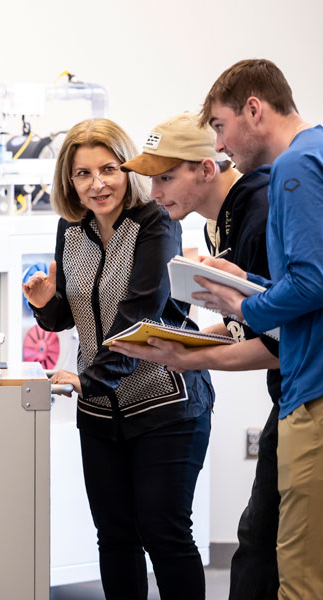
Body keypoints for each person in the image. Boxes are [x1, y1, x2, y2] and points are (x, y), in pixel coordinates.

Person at [23, 118, 215, 599]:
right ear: (70, 180)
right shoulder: (71, 228)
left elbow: (139, 313)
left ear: (127, 169)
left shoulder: (155, 222)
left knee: (164, 535)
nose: (97, 184)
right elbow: (72, 314)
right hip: (102, 414)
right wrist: (46, 301)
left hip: (164, 402)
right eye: (83, 173)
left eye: (108, 169)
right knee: (115, 540)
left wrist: (89, 379)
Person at [110, 111, 281, 599]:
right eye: (151, 178)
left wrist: (189, 359)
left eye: (167, 177)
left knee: (261, 543)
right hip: (288, 393)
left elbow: (280, 344)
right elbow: (242, 326)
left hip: (303, 388)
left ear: (207, 168)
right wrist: (182, 343)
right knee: (259, 540)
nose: (156, 191)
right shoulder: (218, 230)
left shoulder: (260, 212)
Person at [185, 58, 323, 600]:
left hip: (312, 391)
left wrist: (248, 306)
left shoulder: (293, 169)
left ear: (254, 109)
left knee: (298, 575)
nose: (220, 146)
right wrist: (251, 281)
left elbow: (311, 284)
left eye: (220, 127)